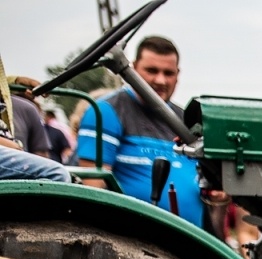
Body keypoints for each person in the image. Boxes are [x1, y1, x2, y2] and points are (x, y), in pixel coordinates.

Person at [76, 36, 205, 226]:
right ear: (134, 68)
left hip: (193, 239)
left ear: (178, 75)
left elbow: (210, 187)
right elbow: (94, 190)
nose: (160, 80)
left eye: (168, 73)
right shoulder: (107, 112)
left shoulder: (186, 120)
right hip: (134, 239)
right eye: (152, 71)